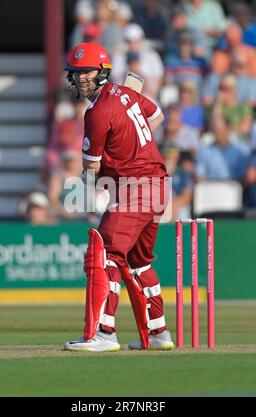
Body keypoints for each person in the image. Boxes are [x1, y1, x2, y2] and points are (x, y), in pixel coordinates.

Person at [64, 42, 174, 352]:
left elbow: (91, 168)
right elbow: (158, 117)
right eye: (76, 73)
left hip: (135, 187)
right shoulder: (128, 94)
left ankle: (104, 333)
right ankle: (158, 333)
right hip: (159, 185)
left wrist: (97, 177)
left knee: (107, 254)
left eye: (86, 73)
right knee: (139, 262)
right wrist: (126, 139)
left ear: (101, 73)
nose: (80, 79)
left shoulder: (97, 113)